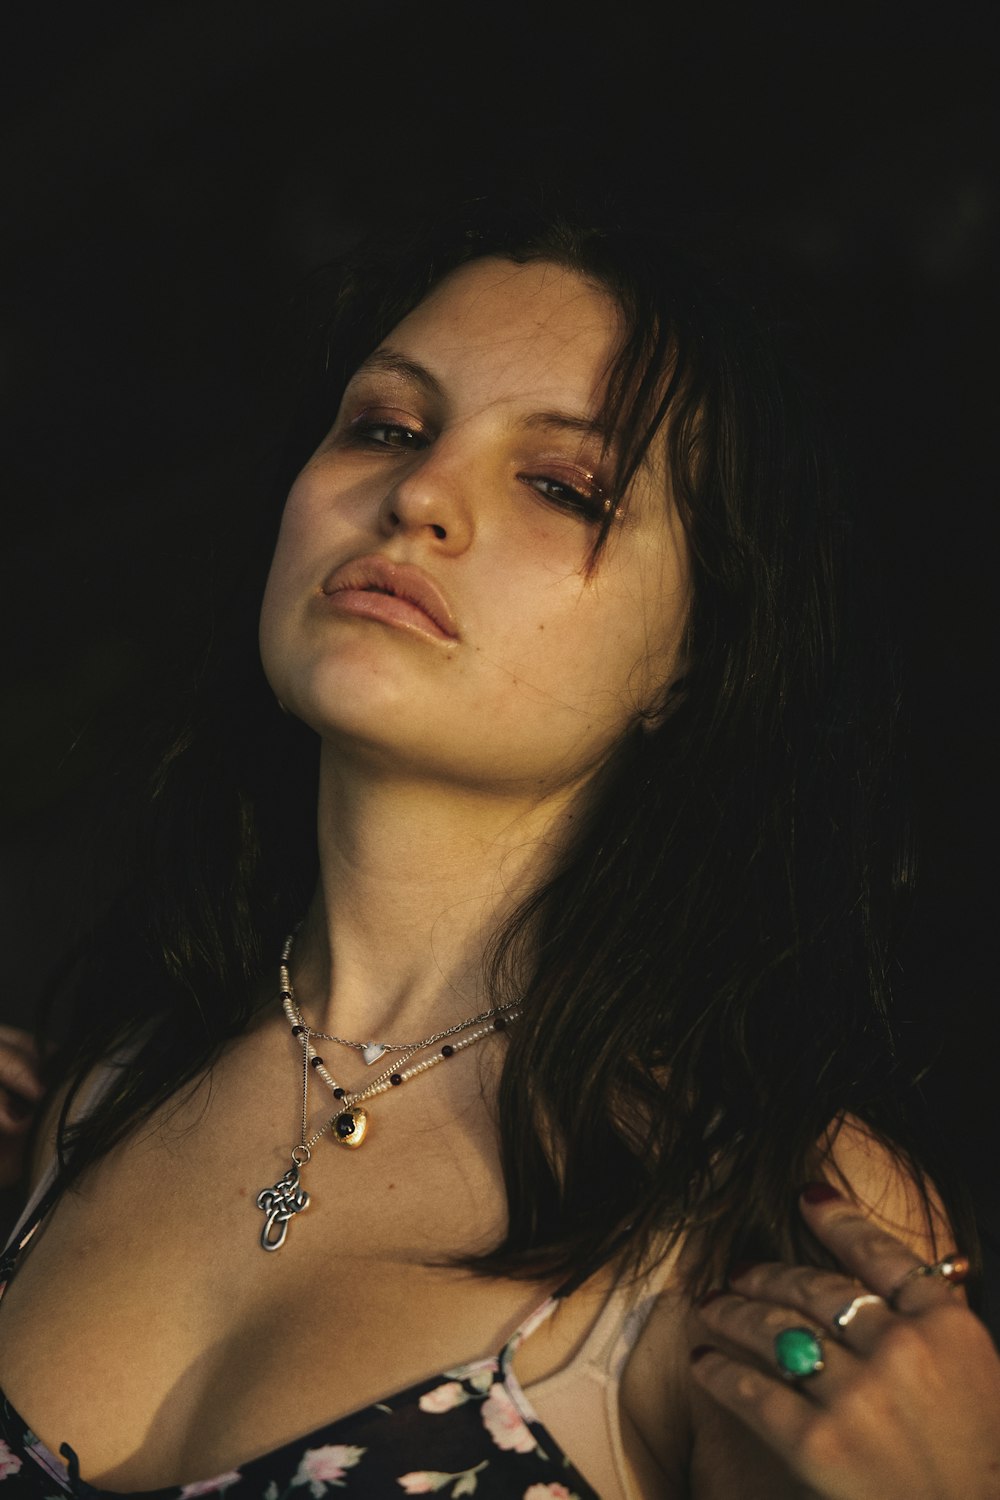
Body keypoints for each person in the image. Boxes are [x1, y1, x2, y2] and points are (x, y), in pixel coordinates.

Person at [0, 204, 997, 1499]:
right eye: (387, 427)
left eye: (563, 486)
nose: (416, 494)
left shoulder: (770, 1203)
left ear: (694, 659)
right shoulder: (87, 1105)